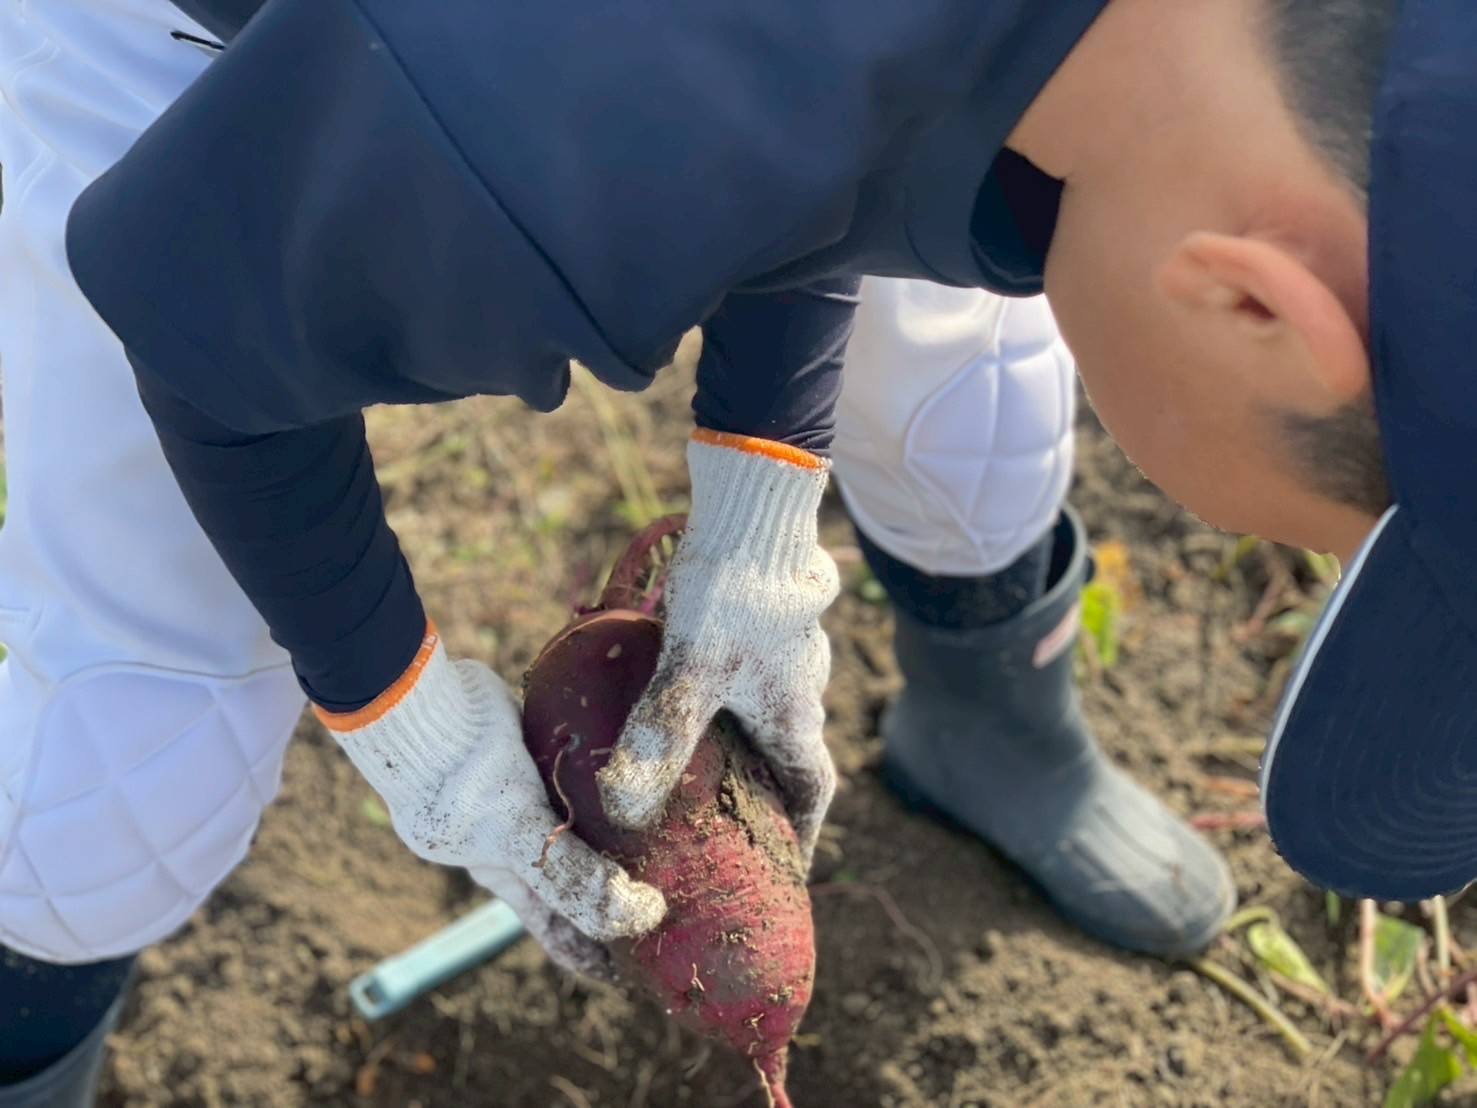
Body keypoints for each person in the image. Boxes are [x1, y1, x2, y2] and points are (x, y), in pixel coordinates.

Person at [5, 0, 1462, 1103]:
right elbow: (194, 317)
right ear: (1259, 305)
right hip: (195, 61)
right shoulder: (530, 119)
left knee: (968, 415)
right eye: (1299, 526)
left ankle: (994, 732)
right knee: (125, 779)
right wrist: (399, 713)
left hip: (591, 67)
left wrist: (761, 485)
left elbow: (849, 89)